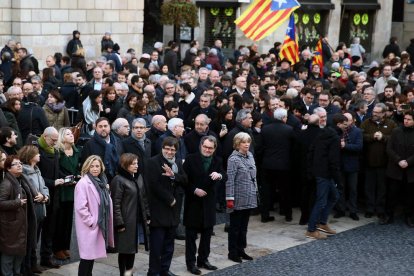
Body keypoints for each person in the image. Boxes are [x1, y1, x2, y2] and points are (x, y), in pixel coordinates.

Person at [183, 136, 225, 274]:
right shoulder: (190, 159)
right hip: (193, 202)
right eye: (205, 147)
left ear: (214, 149)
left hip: (209, 202)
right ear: (201, 146)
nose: (207, 150)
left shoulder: (217, 160)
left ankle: (203, 260)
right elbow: (183, 180)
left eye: (210, 148)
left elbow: (224, 174)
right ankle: (191, 263)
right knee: (191, 236)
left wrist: (219, 175)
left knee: (207, 234)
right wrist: (194, 190)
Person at [147, 137, 187, 276]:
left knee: (169, 244)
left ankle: (165, 269)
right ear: (162, 148)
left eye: (173, 150)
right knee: (157, 245)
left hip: (173, 211)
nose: (170, 152)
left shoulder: (177, 162)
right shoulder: (153, 162)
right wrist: (169, 199)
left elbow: (184, 179)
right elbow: (153, 184)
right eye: (167, 149)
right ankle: (153, 272)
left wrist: (173, 176)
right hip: (159, 209)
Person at [305, 114, 345, 240]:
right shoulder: (334, 137)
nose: (347, 125)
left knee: (334, 196)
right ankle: (311, 229)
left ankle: (322, 223)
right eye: (345, 123)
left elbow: (311, 151)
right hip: (325, 173)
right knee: (321, 200)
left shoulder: (323, 133)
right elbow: (334, 160)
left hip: (320, 171)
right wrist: (339, 180)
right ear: (339, 124)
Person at [110, 153, 150, 276]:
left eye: (137, 163)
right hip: (125, 221)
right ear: (125, 165)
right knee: (124, 250)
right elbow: (115, 203)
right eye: (133, 164)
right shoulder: (118, 180)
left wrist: (147, 216)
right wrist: (119, 223)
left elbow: (144, 198)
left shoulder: (138, 177)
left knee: (132, 250)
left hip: (137, 220)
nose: (136, 166)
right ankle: (125, 274)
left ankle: (129, 273)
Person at [74, 155, 114, 276]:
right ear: (87, 167)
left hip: (98, 224)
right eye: (92, 166)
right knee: (86, 259)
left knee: (90, 258)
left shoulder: (102, 182)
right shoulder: (83, 183)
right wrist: (92, 221)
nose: (95, 169)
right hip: (90, 226)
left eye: (97, 166)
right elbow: (81, 207)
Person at [0, 155, 39, 276]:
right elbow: (0, 203)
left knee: (19, 255)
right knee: (9, 256)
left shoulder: (21, 179)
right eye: (15, 164)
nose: (19, 165)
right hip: (10, 226)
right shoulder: (7, 183)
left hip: (21, 224)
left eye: (20, 163)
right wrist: (17, 203)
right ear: (8, 168)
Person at [226, 132, 258, 263]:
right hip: (238, 198)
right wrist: (229, 198)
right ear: (237, 144)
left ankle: (241, 249)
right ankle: (232, 252)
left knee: (244, 226)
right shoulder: (233, 159)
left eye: (248, 142)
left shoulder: (250, 155)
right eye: (244, 142)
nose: (246, 144)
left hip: (249, 196)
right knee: (235, 227)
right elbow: (230, 180)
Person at [18, 145, 50, 274]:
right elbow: (30, 190)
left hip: (40, 209)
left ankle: (32, 264)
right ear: (31, 156)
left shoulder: (37, 170)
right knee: (29, 240)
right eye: (37, 154)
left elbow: (44, 187)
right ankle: (26, 266)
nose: (39, 155)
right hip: (32, 211)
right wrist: (40, 196)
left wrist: (45, 196)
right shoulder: (24, 172)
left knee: (35, 239)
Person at [53, 128, 80, 260]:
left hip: (72, 189)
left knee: (69, 220)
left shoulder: (76, 151)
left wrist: (77, 176)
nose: (72, 135)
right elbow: (57, 170)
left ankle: (65, 246)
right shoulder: (58, 152)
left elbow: (78, 167)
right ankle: (57, 248)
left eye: (72, 134)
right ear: (62, 137)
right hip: (62, 188)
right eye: (68, 134)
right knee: (60, 220)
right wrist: (68, 178)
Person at [385, 111, 414, 226]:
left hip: (411, 170)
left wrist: (408, 162)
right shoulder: (396, 131)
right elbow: (389, 148)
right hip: (395, 169)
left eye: (409, 119)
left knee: (410, 196)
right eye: (405, 119)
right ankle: (389, 215)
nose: (406, 121)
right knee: (392, 194)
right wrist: (399, 160)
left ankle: (409, 217)